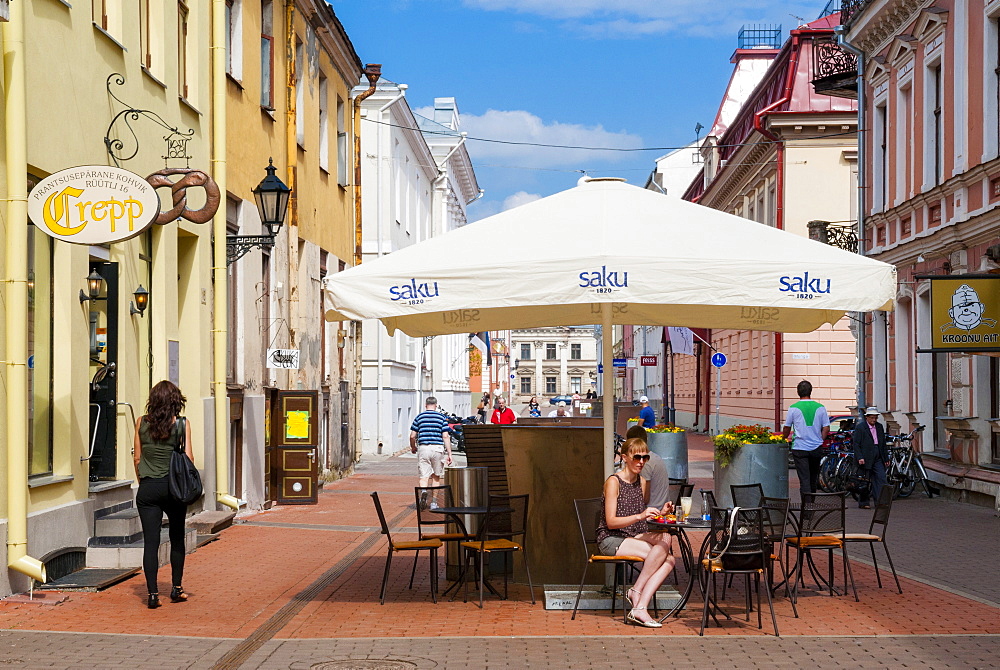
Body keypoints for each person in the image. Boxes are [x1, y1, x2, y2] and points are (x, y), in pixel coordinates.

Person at [595, 437, 676, 628]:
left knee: (666, 539)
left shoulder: (641, 481)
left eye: (645, 457)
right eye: (637, 457)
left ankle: (638, 598)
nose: (641, 462)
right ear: (624, 457)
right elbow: (611, 522)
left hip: (632, 534)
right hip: (611, 538)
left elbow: (638, 516)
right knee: (663, 558)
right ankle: (639, 602)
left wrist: (661, 513)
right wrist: (641, 515)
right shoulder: (614, 482)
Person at [133, 380, 194, 610]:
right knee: (177, 538)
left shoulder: (141, 423)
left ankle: (152, 594)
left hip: (148, 488)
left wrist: (145, 482)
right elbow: (189, 458)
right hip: (174, 489)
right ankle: (177, 589)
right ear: (176, 401)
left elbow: (137, 458)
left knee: (151, 542)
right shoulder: (181, 424)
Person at [781, 380, 831, 497]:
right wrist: (820, 439)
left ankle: (806, 509)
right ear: (811, 391)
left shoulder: (793, 408)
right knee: (813, 478)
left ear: (798, 392)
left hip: (800, 447)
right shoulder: (820, 407)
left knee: (804, 480)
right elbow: (826, 428)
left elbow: (787, 428)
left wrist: (783, 438)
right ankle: (811, 506)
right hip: (816, 448)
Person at [409, 396, 453, 489]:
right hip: (437, 448)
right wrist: (449, 453)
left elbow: (412, 436)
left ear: (425, 405)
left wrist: (413, 447)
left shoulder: (419, 417)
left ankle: (424, 491)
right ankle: (433, 502)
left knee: (423, 476)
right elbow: (445, 436)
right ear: (436, 405)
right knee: (436, 477)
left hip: (424, 447)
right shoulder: (441, 418)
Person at [626, 425, 670, 512]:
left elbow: (644, 499)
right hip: (660, 507)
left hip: (653, 511)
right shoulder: (654, 457)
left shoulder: (645, 464)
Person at [852, 407, 889, 509]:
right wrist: (860, 457)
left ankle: (880, 502)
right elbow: (856, 444)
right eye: (872, 418)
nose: (874, 420)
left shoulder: (879, 427)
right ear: (867, 417)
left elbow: (883, 444)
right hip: (865, 456)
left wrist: (886, 458)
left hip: (877, 455)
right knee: (865, 481)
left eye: (875, 418)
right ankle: (864, 502)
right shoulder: (861, 427)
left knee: (881, 478)